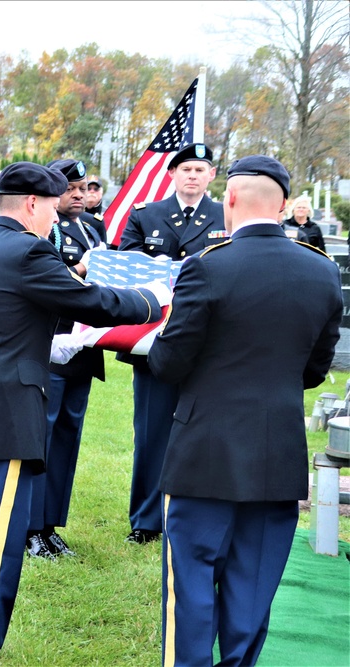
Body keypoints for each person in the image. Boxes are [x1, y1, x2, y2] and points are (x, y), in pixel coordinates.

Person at [0, 161, 166, 667]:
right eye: (53, 209)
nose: (56, 221)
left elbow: (19, 315)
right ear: (33, 205)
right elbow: (93, 301)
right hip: (3, 420)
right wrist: (154, 298)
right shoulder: (28, 250)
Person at [148, 156, 341, 666]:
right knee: (252, 592)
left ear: (229, 199)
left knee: (190, 587)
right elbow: (315, 369)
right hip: (277, 452)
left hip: (203, 453)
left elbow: (170, 362)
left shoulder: (208, 265)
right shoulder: (322, 271)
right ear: (282, 206)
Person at [117, 142, 226, 544]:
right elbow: (125, 271)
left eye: (200, 169)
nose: (193, 176)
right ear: (172, 175)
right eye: (186, 170)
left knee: (205, 431)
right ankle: (146, 521)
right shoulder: (147, 215)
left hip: (208, 342)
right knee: (151, 433)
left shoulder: (224, 216)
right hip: (154, 342)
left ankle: (195, 516)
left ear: (212, 175)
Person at [26, 158, 105, 559]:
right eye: (69, 187)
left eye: (82, 187)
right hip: (52, 346)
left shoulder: (92, 228)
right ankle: (31, 528)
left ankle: (52, 524)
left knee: (67, 441)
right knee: (44, 436)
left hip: (84, 348)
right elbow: (47, 282)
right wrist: (79, 268)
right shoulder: (42, 231)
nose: (77, 194)